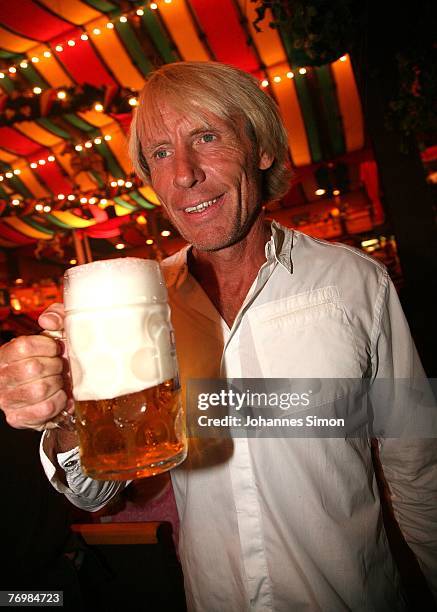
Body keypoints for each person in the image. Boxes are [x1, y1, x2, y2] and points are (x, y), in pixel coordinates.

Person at [0, 62, 436, 611]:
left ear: (262, 148)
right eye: (160, 154)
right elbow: (97, 490)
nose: (183, 173)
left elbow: (418, 465)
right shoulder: (132, 305)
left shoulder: (356, 282)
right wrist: (65, 416)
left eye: (207, 137)